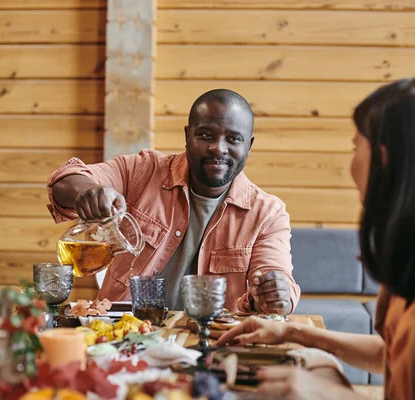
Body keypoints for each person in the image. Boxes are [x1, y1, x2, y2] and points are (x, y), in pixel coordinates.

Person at [218, 78, 415, 399]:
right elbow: (393, 355)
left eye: (355, 147)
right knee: (312, 361)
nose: (351, 164)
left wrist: (334, 396)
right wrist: (291, 332)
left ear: (384, 156)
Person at [47, 89, 300, 315]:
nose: (218, 148)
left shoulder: (267, 213)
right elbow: (65, 180)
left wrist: (273, 295)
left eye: (233, 139)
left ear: (249, 145)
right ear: (188, 136)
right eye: (206, 135)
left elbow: (278, 280)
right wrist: (88, 191)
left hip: (212, 346)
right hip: (124, 338)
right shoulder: (143, 170)